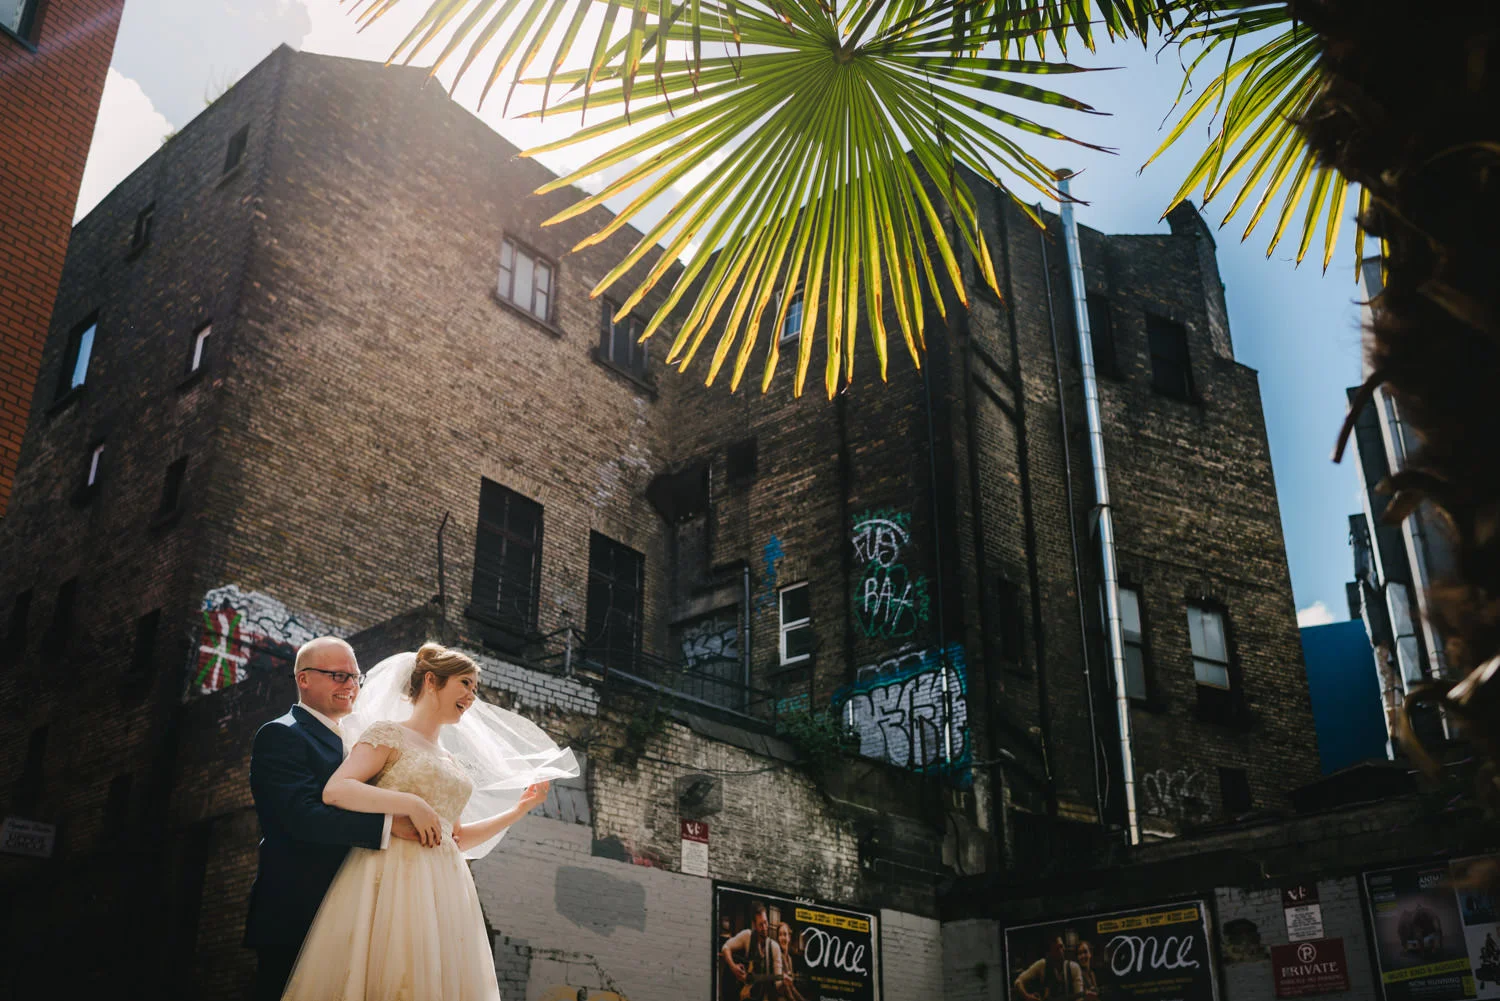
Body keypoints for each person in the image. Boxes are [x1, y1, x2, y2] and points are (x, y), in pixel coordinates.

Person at [280, 642, 577, 1000]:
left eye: (474, 688)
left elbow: (458, 838)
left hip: (446, 887)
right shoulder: (387, 734)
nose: (471, 696)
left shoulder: (450, 760)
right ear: (433, 681)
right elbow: (337, 790)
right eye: (465, 684)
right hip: (391, 874)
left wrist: (519, 810)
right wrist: (409, 804)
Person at [244, 637, 431, 1001]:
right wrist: (391, 827)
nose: (349, 685)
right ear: (304, 679)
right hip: (298, 905)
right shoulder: (282, 735)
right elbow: (302, 818)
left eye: (354, 677)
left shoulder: (362, 740)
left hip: (356, 905)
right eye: (337, 675)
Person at [720, 901, 783, 1001]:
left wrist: (783, 984)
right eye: (761, 924)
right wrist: (733, 968)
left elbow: (778, 983)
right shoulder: (747, 936)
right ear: (754, 924)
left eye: (766, 922)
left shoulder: (774, 948)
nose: (765, 927)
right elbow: (725, 948)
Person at [1014, 936, 1084, 1001]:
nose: (1061, 951)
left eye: (1061, 947)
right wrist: (1027, 997)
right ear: (1049, 953)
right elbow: (1018, 981)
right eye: (1056, 949)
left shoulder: (1074, 967)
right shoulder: (1042, 964)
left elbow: (1080, 998)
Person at [777, 921, 809, 1001]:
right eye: (780, 935)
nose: (782, 938)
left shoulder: (789, 959)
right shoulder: (778, 957)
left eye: (785, 934)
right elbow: (786, 988)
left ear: (789, 937)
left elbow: (792, 987)